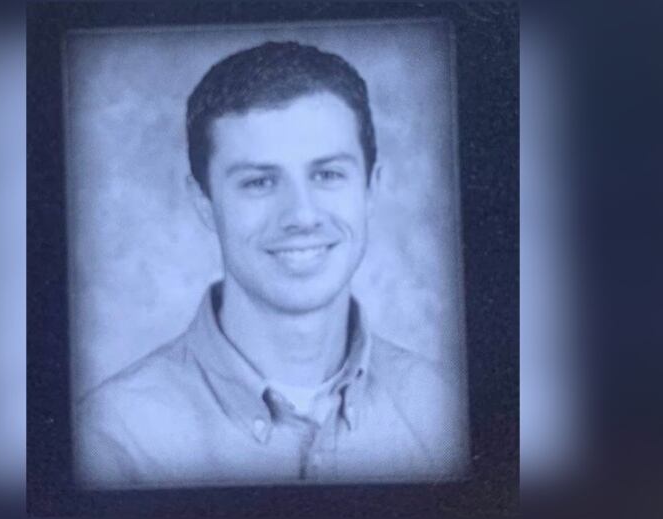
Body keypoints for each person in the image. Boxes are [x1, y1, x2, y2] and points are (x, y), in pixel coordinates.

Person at [75, 41, 467, 489]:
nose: (301, 215)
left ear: (371, 189)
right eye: (259, 182)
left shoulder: (447, 410)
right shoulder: (111, 442)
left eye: (327, 175)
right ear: (204, 202)